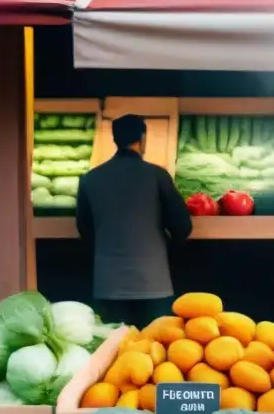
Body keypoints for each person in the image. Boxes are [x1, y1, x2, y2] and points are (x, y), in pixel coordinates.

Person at [76, 115, 193, 328]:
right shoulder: (157, 176)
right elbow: (182, 226)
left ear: (114, 140)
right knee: (154, 349)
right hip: (153, 283)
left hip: (107, 285)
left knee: (113, 349)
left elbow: (84, 229)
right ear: (143, 138)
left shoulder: (90, 179)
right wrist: (166, 251)